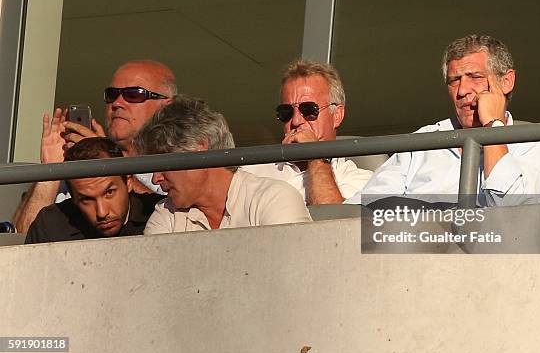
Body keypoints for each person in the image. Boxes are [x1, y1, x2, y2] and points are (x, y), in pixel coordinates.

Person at [346, 34, 540, 207]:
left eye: (475, 76)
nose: (463, 90)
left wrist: (493, 125)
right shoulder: (424, 141)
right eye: (454, 81)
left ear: (506, 81)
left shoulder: (534, 143)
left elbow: (510, 213)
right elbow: (365, 208)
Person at [13, 60, 176, 234]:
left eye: (134, 94)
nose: (117, 103)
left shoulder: (176, 166)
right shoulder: (71, 165)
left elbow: (172, 222)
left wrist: (109, 165)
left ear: (167, 107)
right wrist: (51, 171)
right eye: (112, 94)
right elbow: (26, 237)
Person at [134, 95, 312, 234]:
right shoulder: (167, 214)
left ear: (199, 149)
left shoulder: (272, 199)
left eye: (163, 164)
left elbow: (292, 274)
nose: (155, 179)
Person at [242, 60, 372, 205]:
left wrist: (316, 157)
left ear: (337, 115)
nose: (296, 121)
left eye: (308, 110)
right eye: (287, 112)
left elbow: (330, 220)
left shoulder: (363, 181)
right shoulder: (250, 171)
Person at [25, 138, 163, 244]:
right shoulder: (51, 224)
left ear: (128, 181)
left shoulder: (157, 213)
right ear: (72, 197)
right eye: (86, 199)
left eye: (109, 193)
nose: (102, 212)